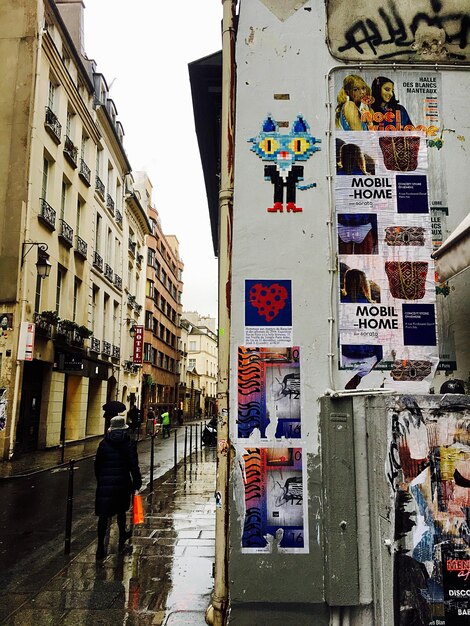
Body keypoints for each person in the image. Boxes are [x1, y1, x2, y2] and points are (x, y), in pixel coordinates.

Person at [94, 415, 142, 560]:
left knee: (103, 515)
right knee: (121, 511)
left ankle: (100, 548)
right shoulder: (129, 443)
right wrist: (137, 482)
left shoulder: (103, 443)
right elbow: (134, 465)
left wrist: (101, 479)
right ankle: (122, 539)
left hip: (105, 483)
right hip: (123, 482)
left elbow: (97, 465)